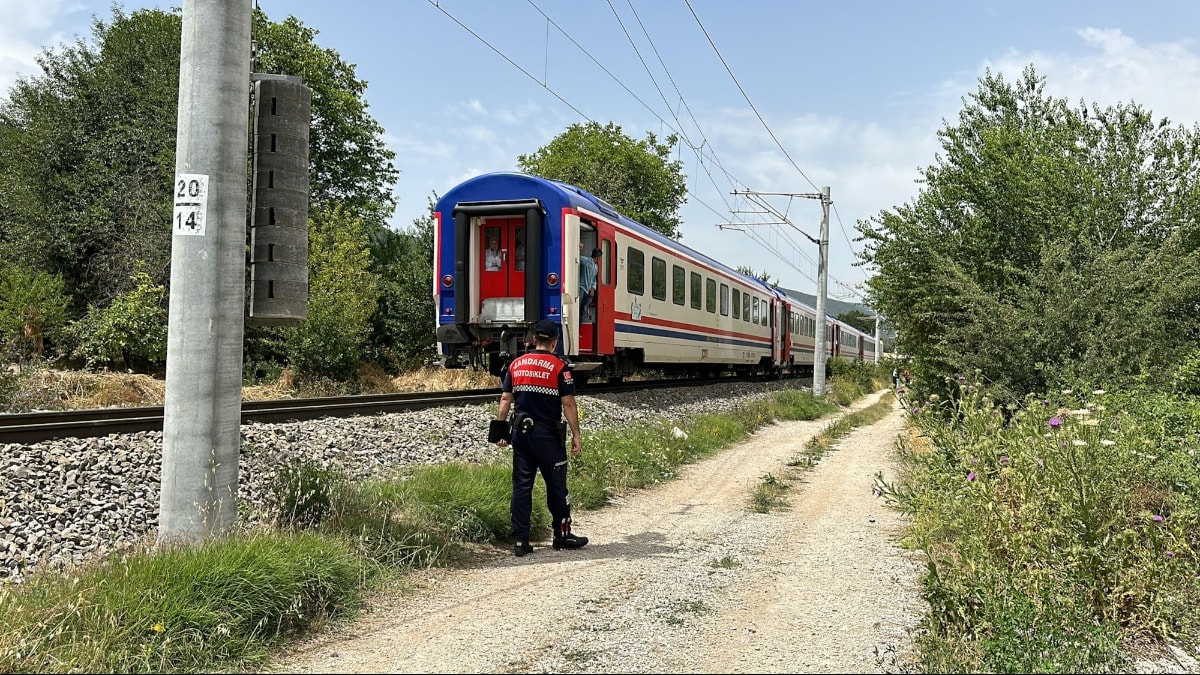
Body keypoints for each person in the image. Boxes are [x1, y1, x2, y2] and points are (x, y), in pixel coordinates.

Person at [490, 319, 588, 557]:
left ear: (534, 340)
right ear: (554, 343)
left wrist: (501, 432)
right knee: (556, 486)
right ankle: (562, 534)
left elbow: (505, 399)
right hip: (548, 437)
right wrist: (576, 434)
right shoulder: (560, 368)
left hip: (521, 435)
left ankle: (521, 541)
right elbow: (568, 403)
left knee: (522, 486)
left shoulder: (516, 365)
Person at [578, 243, 600, 321]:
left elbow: (594, 278)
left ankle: (579, 325)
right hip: (582, 286)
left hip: (589, 290)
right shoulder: (586, 260)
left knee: (583, 309)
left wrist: (593, 288)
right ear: (598, 257)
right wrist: (578, 248)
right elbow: (577, 258)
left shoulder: (596, 267)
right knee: (579, 306)